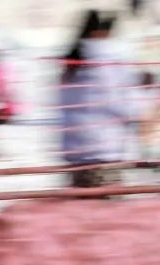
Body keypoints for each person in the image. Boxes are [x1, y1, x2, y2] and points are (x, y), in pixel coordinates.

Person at [57, 10, 136, 188]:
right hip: (103, 148)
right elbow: (120, 103)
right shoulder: (107, 61)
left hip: (74, 149)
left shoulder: (72, 60)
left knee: (81, 199)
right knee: (105, 200)